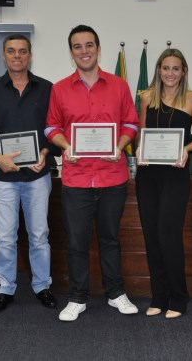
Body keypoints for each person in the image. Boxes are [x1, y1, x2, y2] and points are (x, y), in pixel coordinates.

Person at [45, 24, 140, 322]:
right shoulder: (59, 89)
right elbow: (51, 127)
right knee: (77, 242)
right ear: (71, 52)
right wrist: (65, 145)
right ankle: (77, 298)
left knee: (110, 239)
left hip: (112, 176)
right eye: (77, 46)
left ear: (99, 50)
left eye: (89, 45)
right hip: (76, 177)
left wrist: (121, 145)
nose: (84, 51)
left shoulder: (119, 86)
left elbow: (131, 124)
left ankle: (115, 294)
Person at [0, 34, 58, 314]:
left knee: (39, 235)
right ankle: (5, 288)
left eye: (22, 51)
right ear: (4, 55)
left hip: (37, 176)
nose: (17, 56)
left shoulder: (47, 89)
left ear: (30, 55)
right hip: (3, 178)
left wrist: (45, 152)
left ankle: (42, 285)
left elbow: (56, 129)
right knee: (5, 238)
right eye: (11, 51)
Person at [135, 49, 192, 319]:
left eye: (175, 68)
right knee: (151, 236)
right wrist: (139, 151)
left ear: (184, 71)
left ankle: (179, 297)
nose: (170, 73)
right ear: (158, 70)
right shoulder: (146, 97)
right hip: (148, 175)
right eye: (165, 68)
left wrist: (187, 149)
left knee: (169, 236)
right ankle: (158, 296)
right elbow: (143, 134)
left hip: (176, 174)